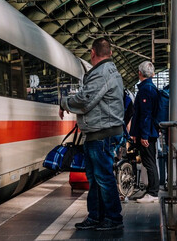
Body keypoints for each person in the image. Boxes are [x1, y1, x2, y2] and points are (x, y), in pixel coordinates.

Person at [59, 38, 124, 231]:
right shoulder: (110, 71)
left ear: (92, 53)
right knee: (96, 178)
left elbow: (85, 100)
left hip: (101, 134)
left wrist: (64, 102)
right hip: (100, 133)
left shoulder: (102, 73)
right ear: (110, 53)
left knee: (103, 177)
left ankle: (113, 218)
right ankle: (97, 216)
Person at [129, 61, 159, 203]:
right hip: (148, 132)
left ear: (140, 73)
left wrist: (144, 135)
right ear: (152, 74)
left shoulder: (146, 89)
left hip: (147, 133)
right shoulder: (150, 87)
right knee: (149, 161)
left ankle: (153, 193)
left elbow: (146, 114)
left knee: (149, 161)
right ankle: (151, 191)